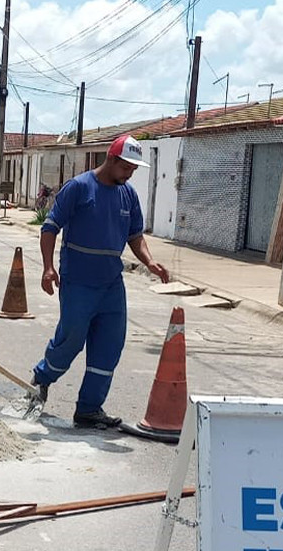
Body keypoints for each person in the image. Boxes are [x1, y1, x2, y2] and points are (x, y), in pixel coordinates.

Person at [32, 134, 170, 429]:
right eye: (126, 167)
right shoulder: (80, 188)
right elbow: (50, 227)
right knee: (70, 341)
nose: (130, 173)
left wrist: (149, 261)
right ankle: (40, 381)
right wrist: (47, 267)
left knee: (109, 346)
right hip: (78, 281)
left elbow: (135, 236)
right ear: (111, 159)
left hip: (111, 286)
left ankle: (89, 409)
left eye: (134, 169)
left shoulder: (128, 195)